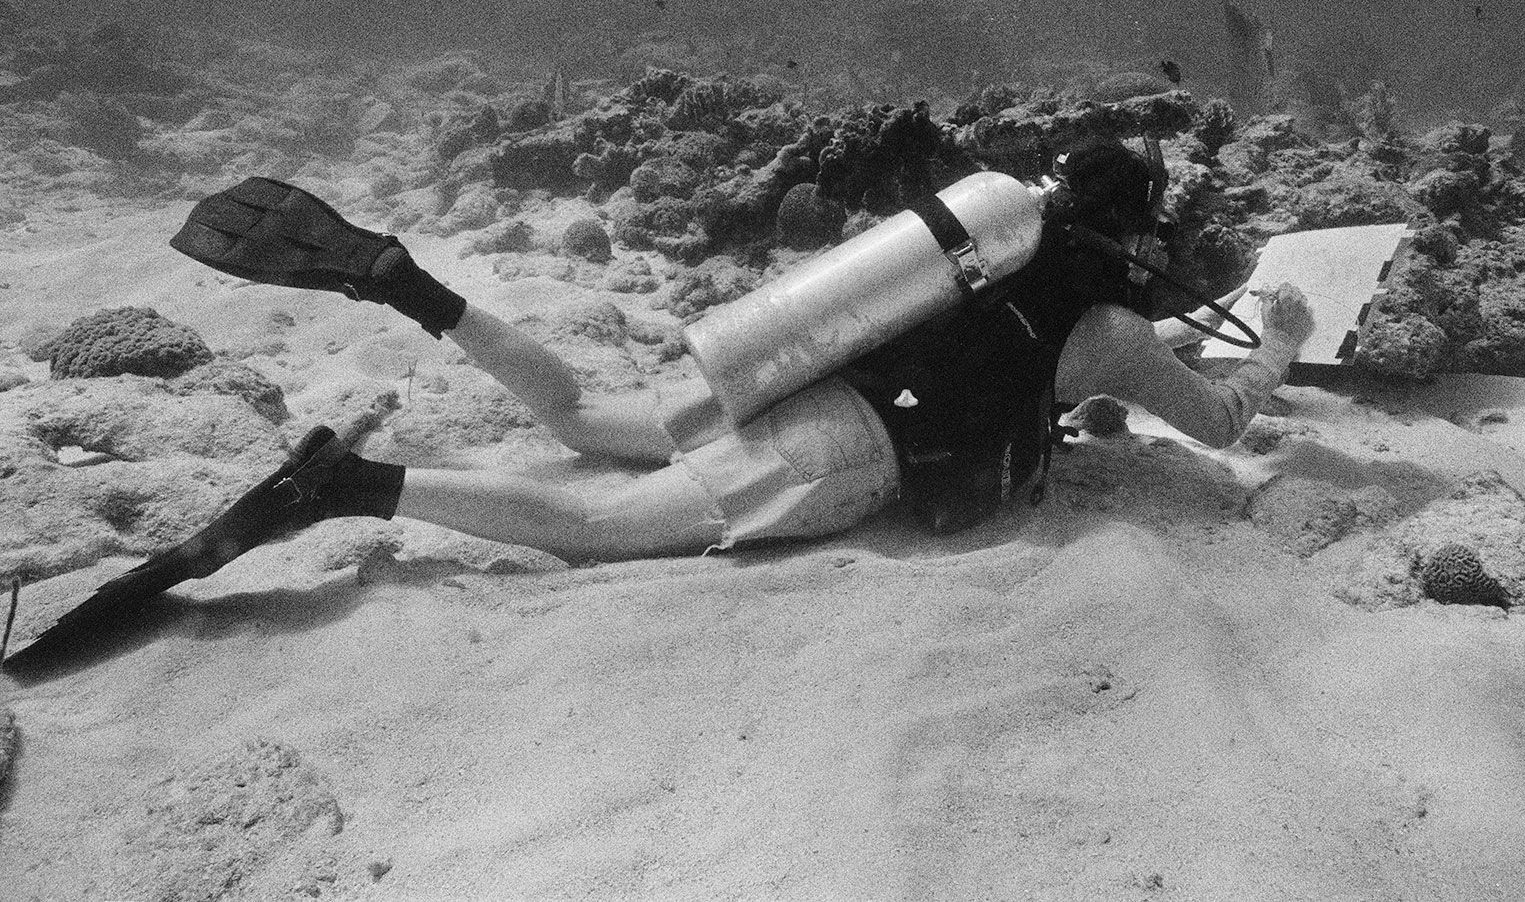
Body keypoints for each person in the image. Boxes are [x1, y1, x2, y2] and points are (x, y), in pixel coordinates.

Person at [33, 142, 1316, 640]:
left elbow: (1013, 361)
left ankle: (413, 291)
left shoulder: (991, 242)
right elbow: (1220, 423)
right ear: (1136, 236)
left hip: (809, 366)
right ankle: (348, 483)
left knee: (583, 416)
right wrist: (1278, 337)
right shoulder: (1107, 324)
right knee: (594, 531)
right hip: (842, 450)